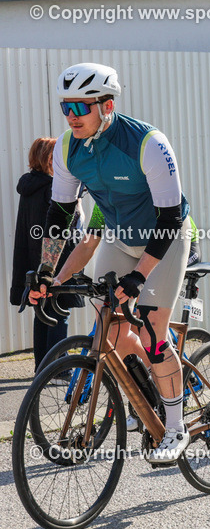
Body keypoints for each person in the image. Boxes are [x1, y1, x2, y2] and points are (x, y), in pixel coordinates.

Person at [29, 63, 192, 464]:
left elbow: (170, 218)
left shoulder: (148, 143)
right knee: (110, 329)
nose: (71, 116)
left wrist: (140, 275)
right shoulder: (66, 149)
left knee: (153, 330)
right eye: (66, 107)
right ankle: (148, 394)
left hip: (165, 238)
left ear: (107, 106)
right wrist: (49, 273)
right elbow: (60, 213)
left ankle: (176, 427)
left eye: (80, 107)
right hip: (120, 238)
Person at [10, 137, 83, 372]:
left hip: (34, 259)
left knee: (41, 313)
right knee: (59, 312)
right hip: (56, 260)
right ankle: (58, 368)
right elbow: (71, 222)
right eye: (57, 155)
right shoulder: (53, 187)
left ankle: (42, 368)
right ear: (49, 158)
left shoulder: (29, 186)